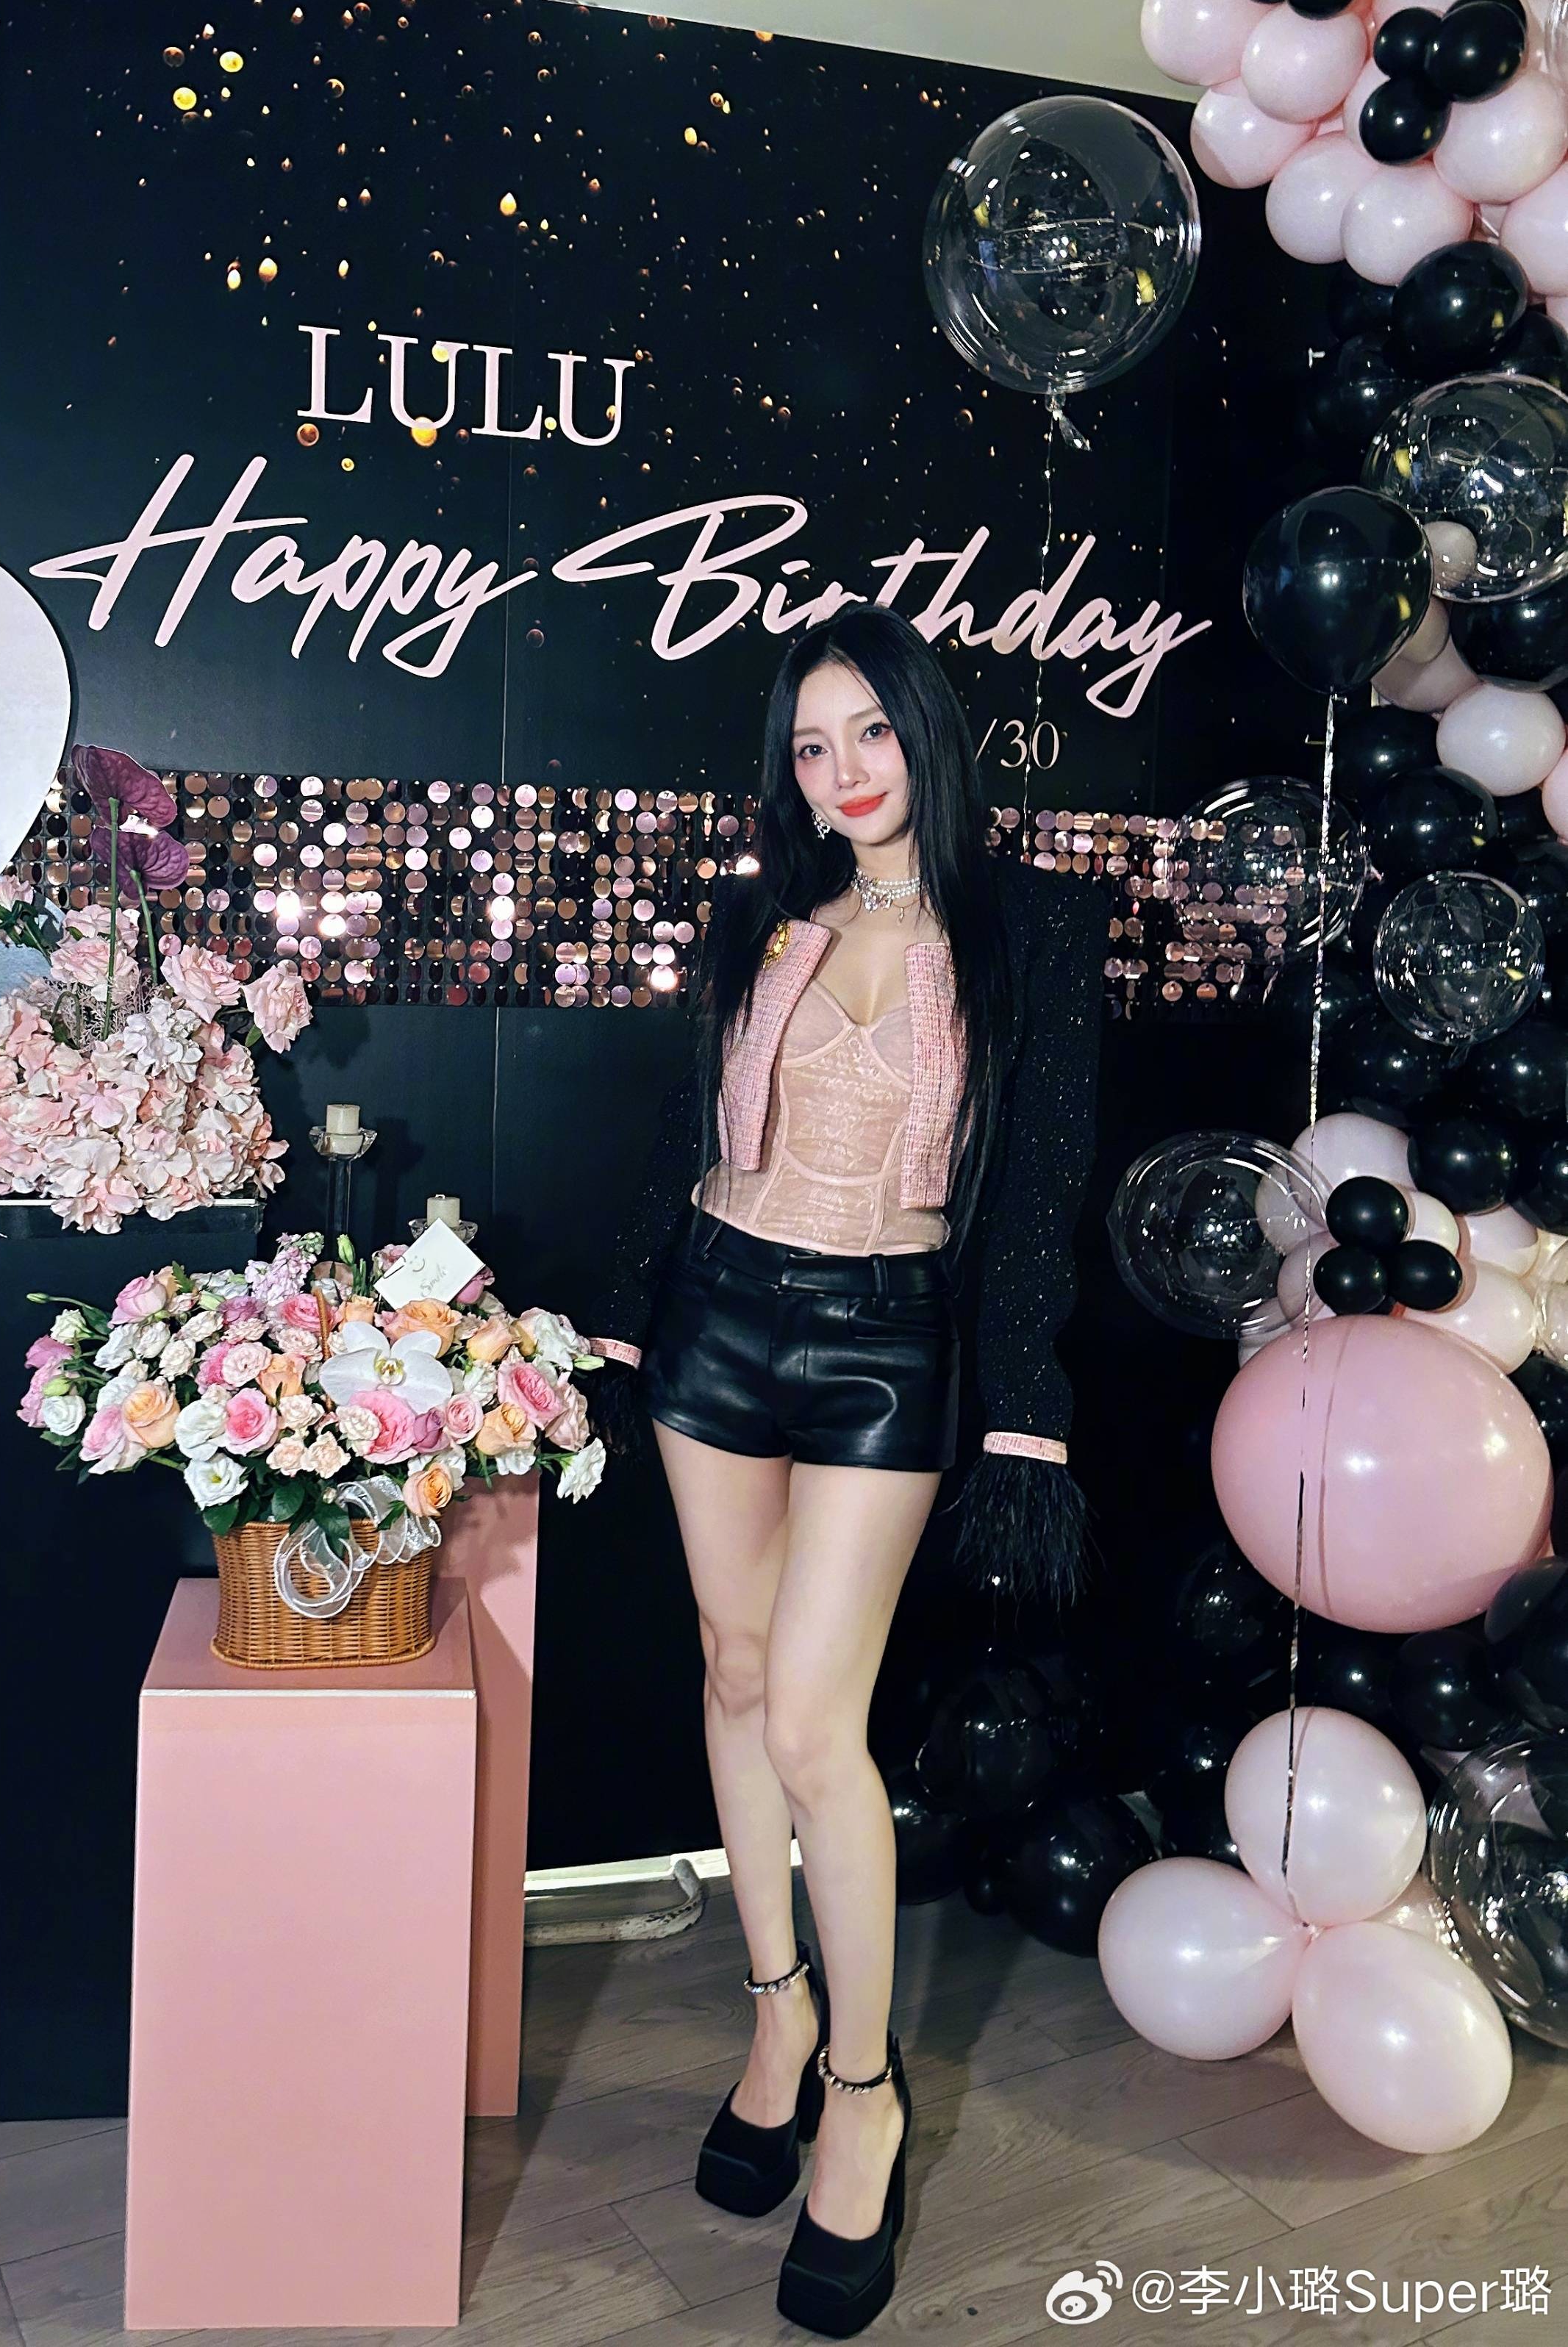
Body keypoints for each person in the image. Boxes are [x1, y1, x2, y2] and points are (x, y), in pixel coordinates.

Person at [589, 602, 1108, 2337]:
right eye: (810, 747)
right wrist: (617, 1312)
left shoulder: (1030, 930)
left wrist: (1024, 1405)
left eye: (868, 731)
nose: (843, 771)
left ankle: (865, 2097)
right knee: (735, 1676)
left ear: (923, 733)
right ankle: (777, 2014)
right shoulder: (760, 914)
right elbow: (679, 1129)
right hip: (717, 1317)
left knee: (819, 1727)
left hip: (887, 1339)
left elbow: (1036, 1190)